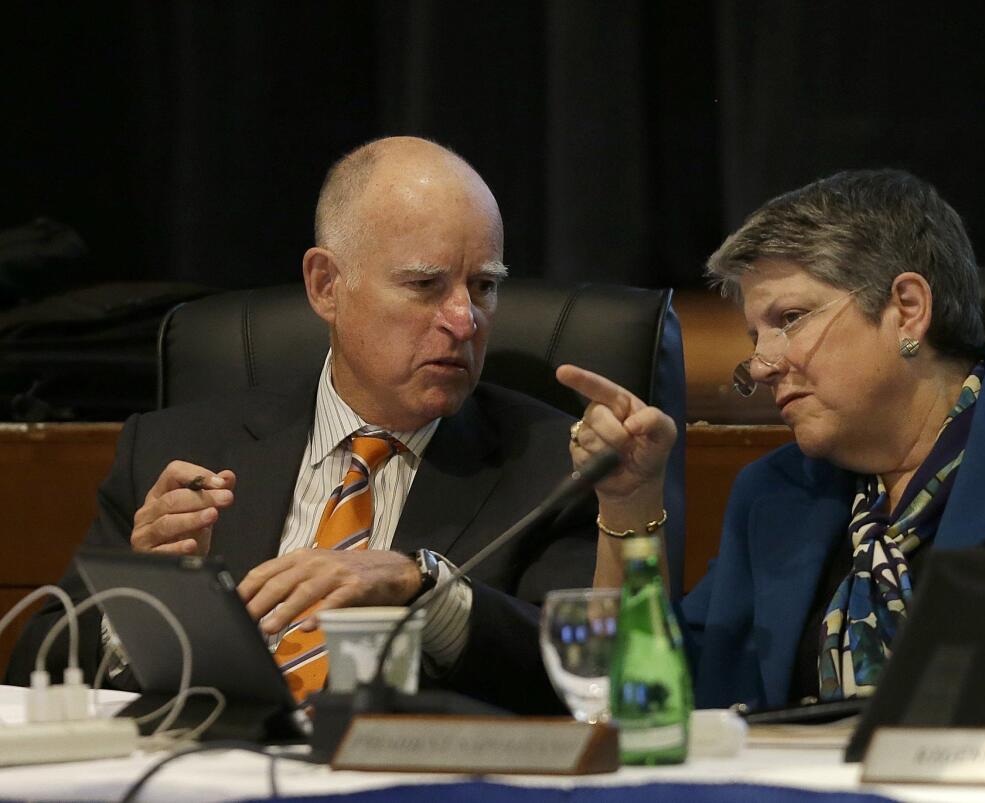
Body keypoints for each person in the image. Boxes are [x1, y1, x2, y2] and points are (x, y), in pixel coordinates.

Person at [558, 168, 985, 718]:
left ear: (908, 308)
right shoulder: (776, 495)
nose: (761, 364)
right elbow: (651, 701)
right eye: (756, 335)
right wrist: (629, 500)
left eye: (789, 320)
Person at [7, 137, 595, 714]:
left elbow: (586, 683)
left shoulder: (554, 466)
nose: (464, 321)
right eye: (425, 285)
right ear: (325, 286)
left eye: (484, 287)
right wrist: (144, 600)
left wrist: (424, 589)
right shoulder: (175, 450)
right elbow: (34, 672)